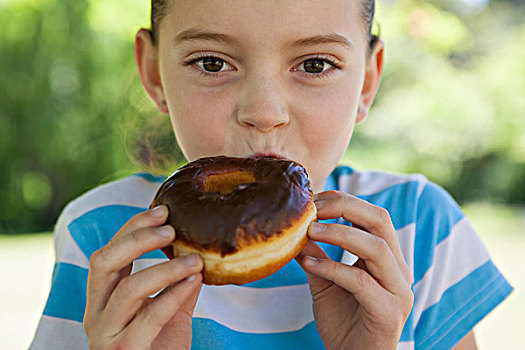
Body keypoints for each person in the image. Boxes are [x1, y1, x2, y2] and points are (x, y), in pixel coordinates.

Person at [31, 0, 513, 349]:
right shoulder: (104, 241)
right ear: (155, 73)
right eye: (212, 62)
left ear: (366, 80)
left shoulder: (418, 231)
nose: (264, 112)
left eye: (315, 64)